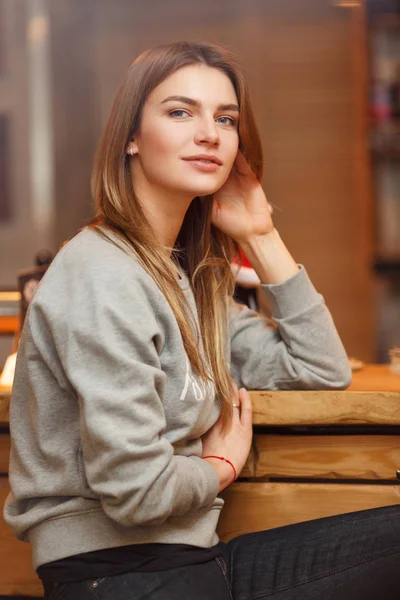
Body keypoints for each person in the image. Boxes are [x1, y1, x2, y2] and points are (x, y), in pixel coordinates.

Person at [4, 41, 399, 600]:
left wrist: (261, 234)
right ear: (131, 138)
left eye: (226, 118)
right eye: (180, 111)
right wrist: (219, 466)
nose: (210, 133)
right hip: (118, 576)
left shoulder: (188, 282)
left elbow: (319, 367)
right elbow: (134, 491)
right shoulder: (102, 272)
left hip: (190, 560)